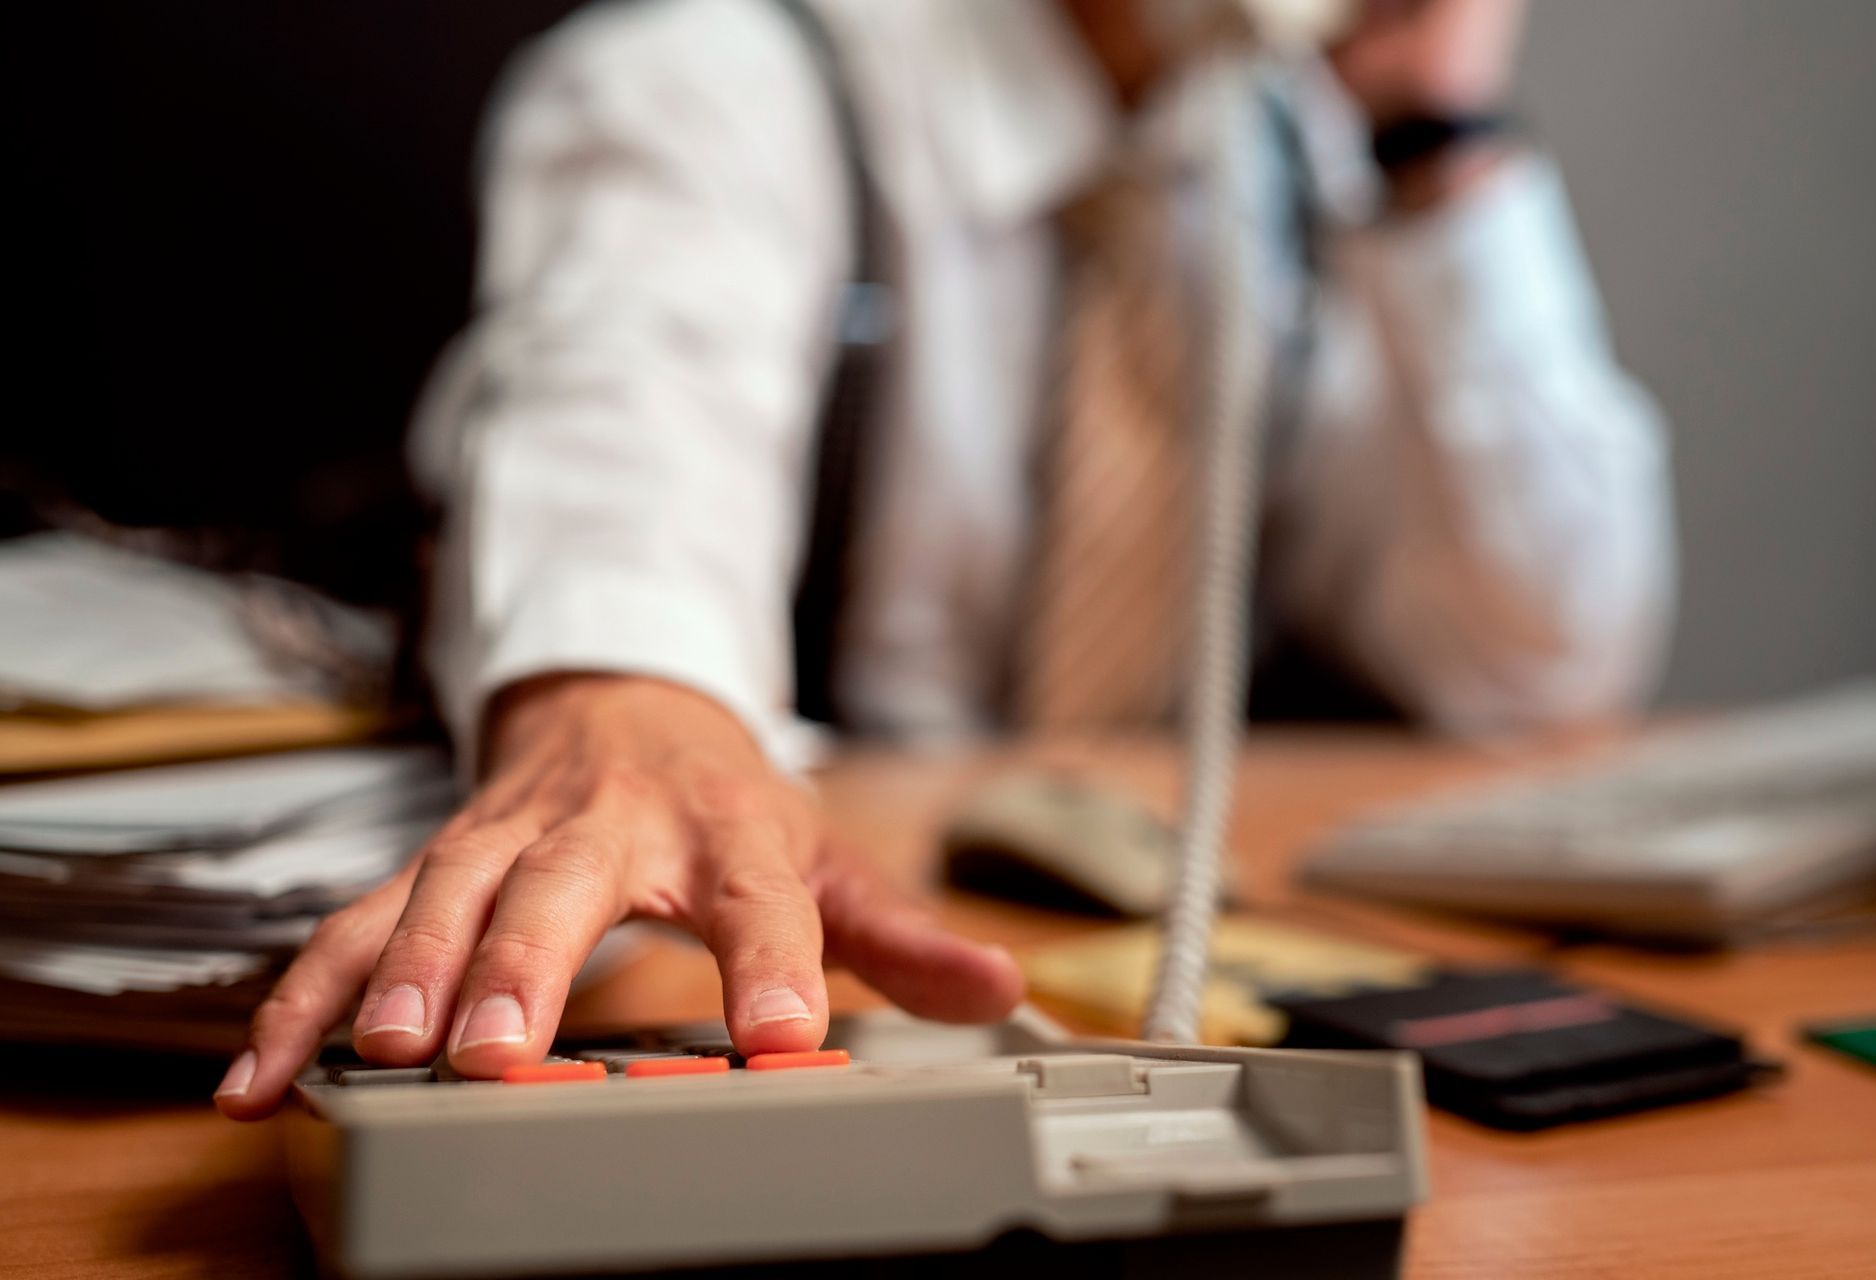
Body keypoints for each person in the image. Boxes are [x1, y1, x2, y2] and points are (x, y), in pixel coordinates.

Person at [216, 0, 1672, 1117]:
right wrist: (619, 706)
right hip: (799, 938)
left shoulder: (1287, 160)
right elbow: (627, 442)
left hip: (1090, 956)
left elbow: (1540, 658)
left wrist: (1435, 125)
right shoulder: (721, 74)